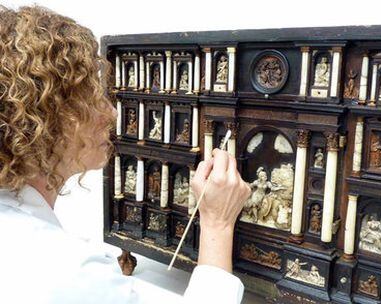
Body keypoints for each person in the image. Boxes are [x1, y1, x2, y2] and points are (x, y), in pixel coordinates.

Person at [0, 6, 251, 304]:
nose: (112, 112)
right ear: (45, 119)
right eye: (91, 98)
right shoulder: (66, 271)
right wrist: (218, 224)